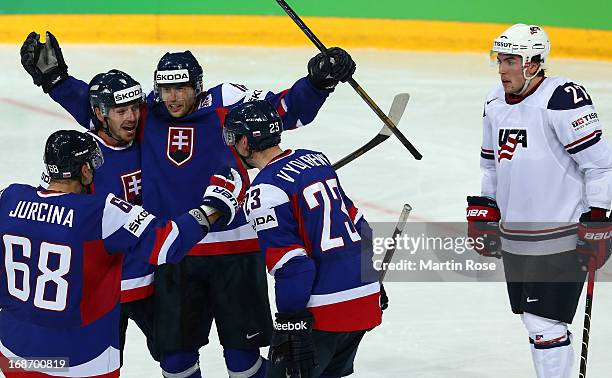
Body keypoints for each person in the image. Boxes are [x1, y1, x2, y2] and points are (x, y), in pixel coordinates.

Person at [20, 30, 356, 378]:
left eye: (181, 88)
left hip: (235, 253)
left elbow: (283, 111)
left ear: (198, 86)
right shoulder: (145, 111)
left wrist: (318, 82)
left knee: (244, 360)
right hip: (176, 253)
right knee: (176, 362)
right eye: (166, 89)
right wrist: (56, 81)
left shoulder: (228, 101)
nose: (173, 97)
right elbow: (98, 111)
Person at [0, 130, 241, 377]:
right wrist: (214, 207)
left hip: (13, 351)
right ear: (84, 170)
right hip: (80, 358)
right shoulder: (100, 211)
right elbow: (168, 242)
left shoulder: (10, 198)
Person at [466, 24, 612, 377]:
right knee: (535, 323)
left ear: (533, 63)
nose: (503, 69)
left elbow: (600, 164)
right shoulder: (494, 102)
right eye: (500, 60)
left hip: (561, 234)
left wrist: (597, 216)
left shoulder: (562, 98)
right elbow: (491, 165)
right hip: (517, 236)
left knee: (543, 324)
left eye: (511, 60)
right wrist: (486, 208)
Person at [20, 36, 159, 366]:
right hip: (101, 288)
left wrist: (58, 82)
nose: (131, 117)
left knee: (178, 359)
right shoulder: (81, 156)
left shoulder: (149, 135)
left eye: (134, 108)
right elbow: (55, 211)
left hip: (154, 279)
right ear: (100, 113)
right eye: (120, 111)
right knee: (101, 365)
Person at [223, 100, 383, 377]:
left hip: (323, 311)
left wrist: (289, 321)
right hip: (365, 297)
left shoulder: (265, 190)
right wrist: (369, 282)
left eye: (233, 139)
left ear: (246, 142)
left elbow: (293, 265)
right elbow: (362, 229)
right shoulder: (316, 159)